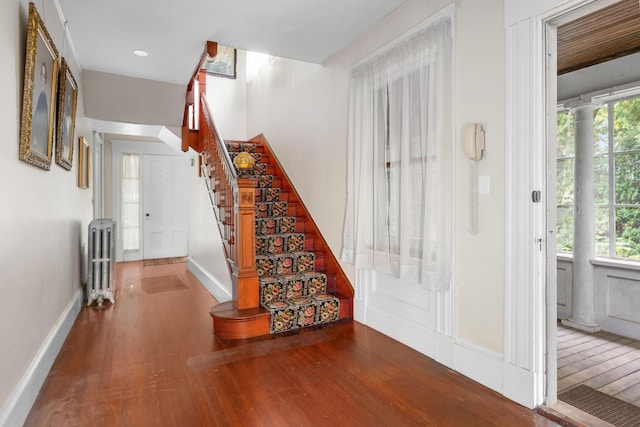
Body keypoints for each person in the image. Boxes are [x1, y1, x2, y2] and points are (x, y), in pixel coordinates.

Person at [31, 62, 50, 155]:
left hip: (39, 135)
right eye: (41, 75)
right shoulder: (39, 94)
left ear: (46, 78)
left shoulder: (44, 97)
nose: (42, 77)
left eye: (44, 75)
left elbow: (43, 121)